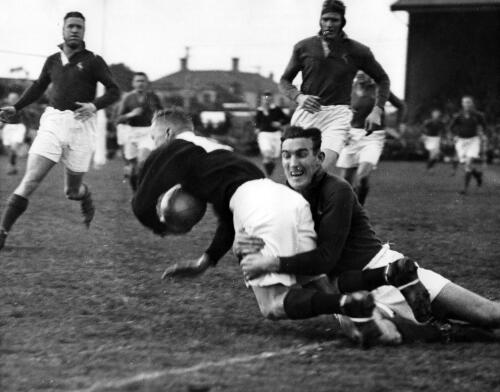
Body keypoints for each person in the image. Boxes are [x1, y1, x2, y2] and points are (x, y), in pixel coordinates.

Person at [132, 108, 396, 347]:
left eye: (154, 137)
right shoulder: (218, 149)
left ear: (167, 132)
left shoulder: (172, 146)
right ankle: (374, 328)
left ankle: (349, 302)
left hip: (260, 210)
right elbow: (228, 219)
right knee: (317, 284)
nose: (154, 144)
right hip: (285, 199)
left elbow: (140, 203)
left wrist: (164, 225)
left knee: (272, 304)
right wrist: (207, 260)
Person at [233, 126, 500, 343]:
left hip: (384, 269)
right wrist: (241, 245)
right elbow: (260, 241)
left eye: (302, 154)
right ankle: (453, 331)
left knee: (488, 313)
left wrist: (275, 263)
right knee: (383, 335)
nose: (293, 163)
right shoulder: (282, 199)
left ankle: (451, 320)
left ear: (319, 158)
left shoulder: (337, 190)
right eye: (286, 155)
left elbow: (326, 258)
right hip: (344, 290)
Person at [0, 11, 120, 251]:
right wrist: (16, 106)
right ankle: (2, 231)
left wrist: (95, 105)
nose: (75, 30)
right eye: (71, 26)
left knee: (72, 191)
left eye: (79, 27)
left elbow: (114, 91)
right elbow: (38, 87)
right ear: (63, 30)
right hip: (53, 122)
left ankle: (84, 196)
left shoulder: (94, 60)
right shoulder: (53, 60)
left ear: (83, 32)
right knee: (31, 179)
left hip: (81, 126)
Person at [279, 0, 390, 175]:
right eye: (325, 19)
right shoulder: (303, 47)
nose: (329, 24)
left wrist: (377, 110)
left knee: (318, 169)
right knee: (298, 170)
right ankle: (303, 201)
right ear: (320, 21)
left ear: (342, 22)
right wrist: (299, 97)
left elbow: (383, 79)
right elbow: (284, 81)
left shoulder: (358, 51)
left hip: (338, 116)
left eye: (334, 20)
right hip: (307, 113)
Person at [336, 71, 407, 205]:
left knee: (361, 176)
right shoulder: (346, 89)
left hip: (373, 137)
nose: (361, 74)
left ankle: (358, 210)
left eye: (364, 71)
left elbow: (402, 106)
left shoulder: (379, 89)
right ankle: (346, 209)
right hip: (351, 137)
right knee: (345, 180)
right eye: (358, 71)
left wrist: (400, 124)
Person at [115, 72, 162, 190]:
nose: (140, 84)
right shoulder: (128, 98)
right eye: (138, 81)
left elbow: (162, 114)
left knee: (143, 160)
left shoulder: (153, 97)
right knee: (133, 169)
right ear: (133, 83)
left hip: (148, 132)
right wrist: (131, 114)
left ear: (147, 83)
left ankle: (145, 191)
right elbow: (118, 119)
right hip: (132, 133)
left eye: (143, 81)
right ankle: (136, 193)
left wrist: (158, 116)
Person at [449, 96, 487, 194]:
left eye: (469, 102)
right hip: (461, 142)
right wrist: (454, 136)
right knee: (465, 164)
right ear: (462, 104)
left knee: (469, 164)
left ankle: (464, 189)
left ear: (472, 103)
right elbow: (451, 127)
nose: (467, 104)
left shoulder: (478, 115)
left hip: (474, 141)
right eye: (465, 102)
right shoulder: (458, 115)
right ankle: (478, 175)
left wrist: (482, 133)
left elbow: (484, 126)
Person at [254, 91, 289, 177]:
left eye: (268, 99)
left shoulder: (276, 109)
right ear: (262, 100)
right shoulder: (259, 111)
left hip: (276, 135)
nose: (266, 101)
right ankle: (266, 175)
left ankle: (270, 174)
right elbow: (256, 122)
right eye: (264, 99)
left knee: (274, 156)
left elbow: (286, 119)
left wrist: (280, 123)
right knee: (267, 154)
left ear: (271, 99)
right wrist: (257, 128)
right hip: (264, 135)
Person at [0, 92, 28, 175]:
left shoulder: (21, 107)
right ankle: (13, 167)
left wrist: (27, 133)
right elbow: (2, 120)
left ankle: (11, 166)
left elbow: (27, 120)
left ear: (17, 98)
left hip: (18, 128)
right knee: (9, 149)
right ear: (8, 99)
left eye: (14, 98)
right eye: (10, 98)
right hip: (7, 128)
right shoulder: (4, 108)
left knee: (13, 148)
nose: (12, 100)